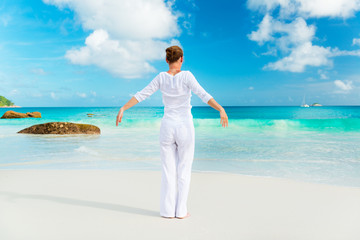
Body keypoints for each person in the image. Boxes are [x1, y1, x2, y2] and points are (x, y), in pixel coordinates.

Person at [116, 45, 228, 219]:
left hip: (167, 127)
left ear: (167, 60)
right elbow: (203, 94)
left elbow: (142, 94)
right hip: (184, 127)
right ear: (181, 59)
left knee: (168, 171)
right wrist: (220, 109)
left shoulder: (161, 77)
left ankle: (168, 211)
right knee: (184, 169)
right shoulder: (187, 76)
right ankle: (181, 211)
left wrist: (124, 108)